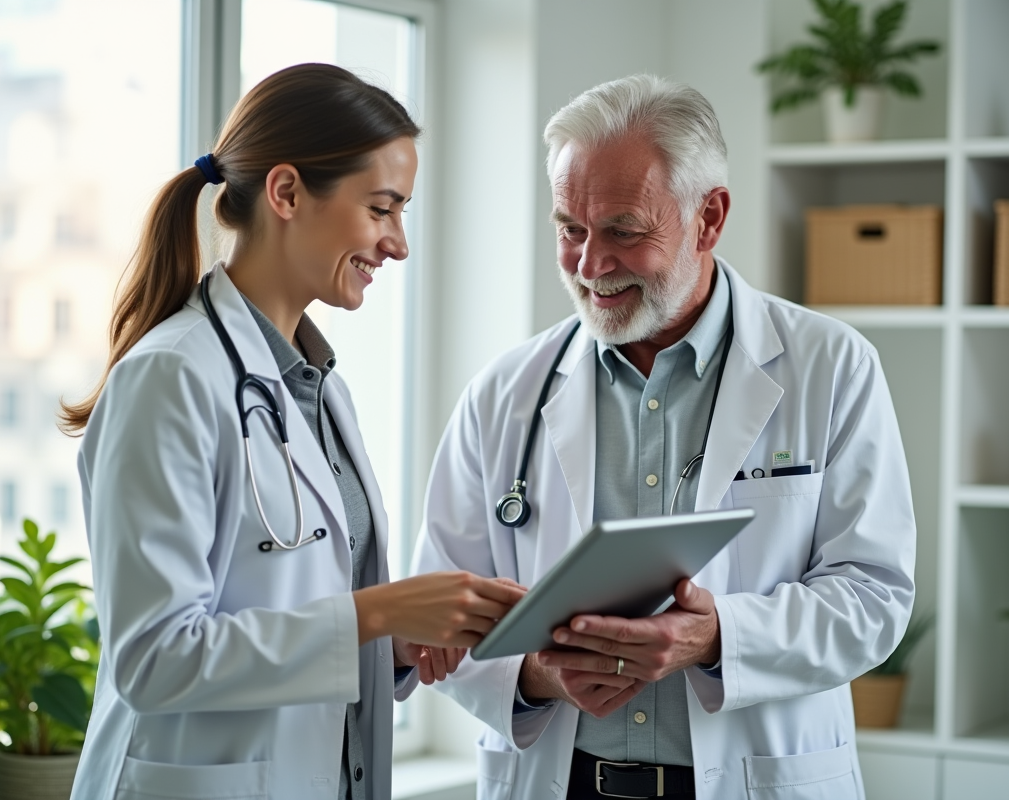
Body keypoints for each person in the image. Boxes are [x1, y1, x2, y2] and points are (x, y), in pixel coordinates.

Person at [412, 74, 916, 800]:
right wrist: (535, 674)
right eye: (570, 229)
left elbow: (874, 597)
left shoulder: (830, 367)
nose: (590, 266)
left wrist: (717, 638)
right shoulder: (505, 391)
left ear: (708, 219)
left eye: (623, 230)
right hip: (561, 780)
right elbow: (440, 616)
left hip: (752, 778)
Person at [61, 64, 525, 800]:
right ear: (285, 193)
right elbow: (154, 659)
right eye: (381, 208)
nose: (398, 243)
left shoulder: (317, 387)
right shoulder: (172, 377)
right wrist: (376, 612)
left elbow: (298, 614)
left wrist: (393, 640)